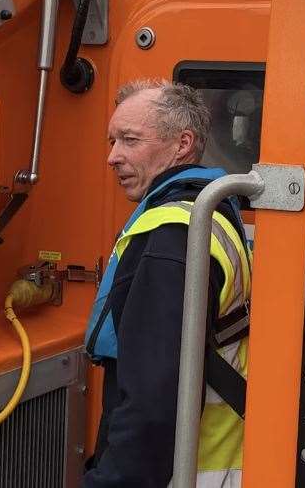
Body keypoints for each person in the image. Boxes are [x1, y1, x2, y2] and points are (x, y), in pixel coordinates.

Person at [83, 79, 252, 487]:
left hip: (184, 469)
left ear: (182, 144)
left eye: (129, 140)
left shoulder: (172, 232)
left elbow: (153, 397)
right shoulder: (207, 209)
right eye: (112, 141)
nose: (112, 157)